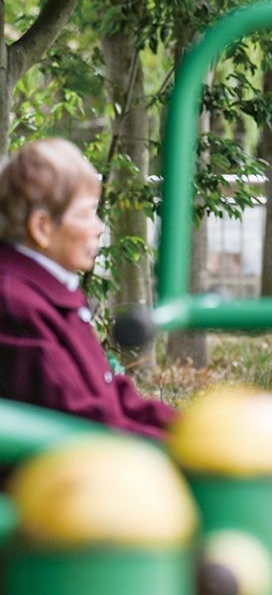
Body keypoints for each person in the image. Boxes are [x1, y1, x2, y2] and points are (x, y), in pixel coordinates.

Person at [0, 138, 175, 438]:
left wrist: (190, 428)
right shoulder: (16, 303)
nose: (98, 226)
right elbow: (81, 419)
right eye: (86, 214)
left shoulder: (51, 290)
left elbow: (109, 394)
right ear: (41, 227)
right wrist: (182, 452)